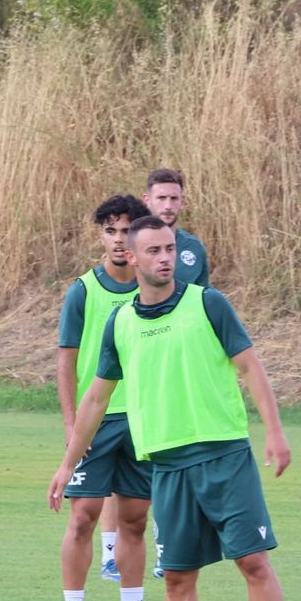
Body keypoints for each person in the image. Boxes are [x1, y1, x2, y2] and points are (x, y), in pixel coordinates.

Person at [49, 215, 299, 601]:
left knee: (252, 561)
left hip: (224, 454)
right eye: (155, 250)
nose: (166, 258)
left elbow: (250, 366)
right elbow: (96, 401)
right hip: (167, 465)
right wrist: (66, 465)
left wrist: (274, 431)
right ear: (133, 257)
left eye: (170, 249)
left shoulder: (208, 303)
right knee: (180, 575)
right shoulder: (119, 323)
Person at [53, 196, 165, 601]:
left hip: (141, 421)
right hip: (94, 421)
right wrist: (69, 424)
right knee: (83, 515)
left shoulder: (154, 290)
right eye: (111, 231)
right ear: (101, 235)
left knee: (135, 518)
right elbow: (66, 361)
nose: (119, 240)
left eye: (126, 231)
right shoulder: (84, 290)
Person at [133, 167, 210, 578]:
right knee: (140, 465)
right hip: (146, 367)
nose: (168, 205)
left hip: (184, 371)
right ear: (147, 200)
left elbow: (204, 302)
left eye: (174, 198)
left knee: (182, 464)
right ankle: (115, 551)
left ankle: (174, 547)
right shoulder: (133, 247)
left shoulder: (194, 250)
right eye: (161, 197)